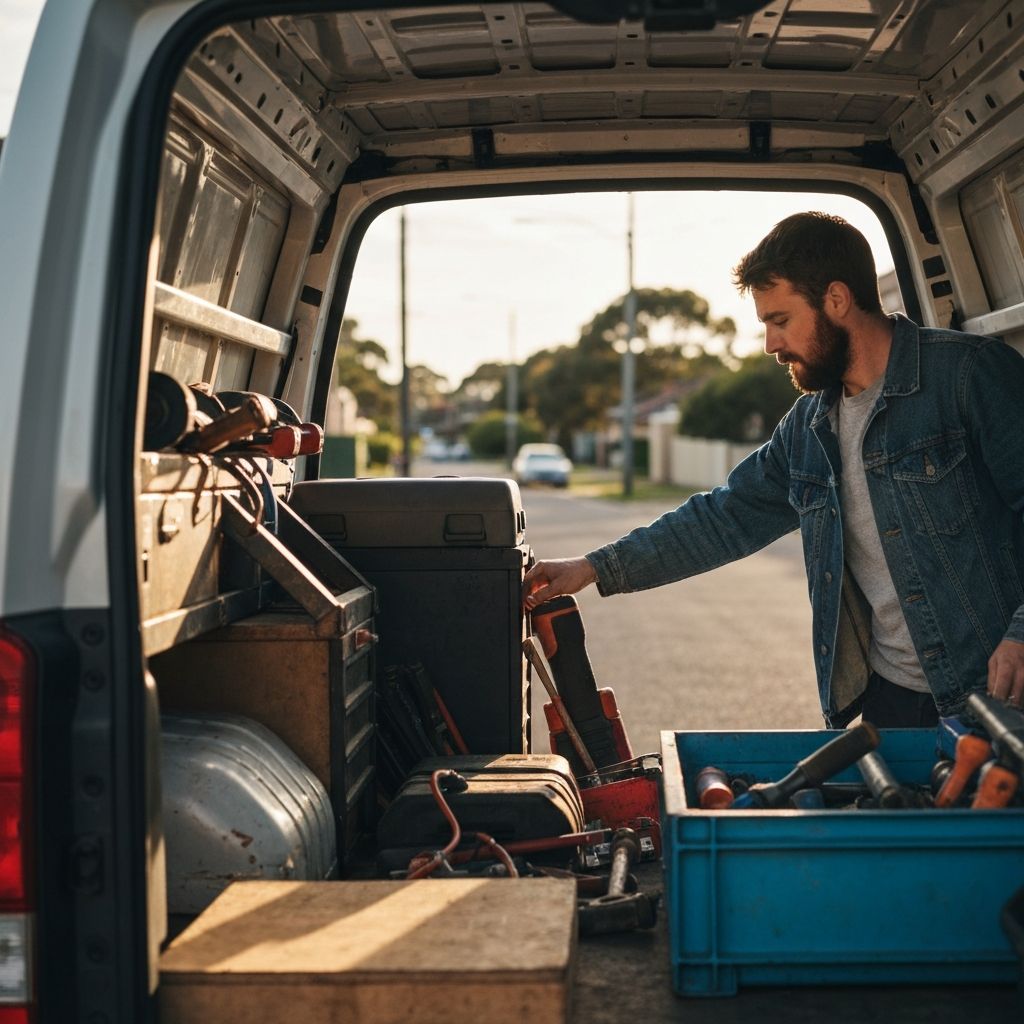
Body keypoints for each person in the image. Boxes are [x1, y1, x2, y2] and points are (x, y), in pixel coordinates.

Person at [523, 212, 1024, 728]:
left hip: (997, 696)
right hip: (891, 701)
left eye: (780, 320)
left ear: (836, 299)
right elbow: (723, 518)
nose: (770, 345)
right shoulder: (807, 427)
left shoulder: (969, 376)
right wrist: (593, 567)